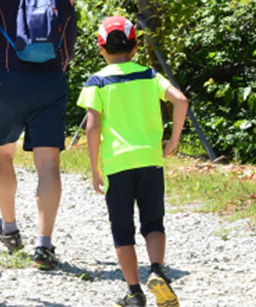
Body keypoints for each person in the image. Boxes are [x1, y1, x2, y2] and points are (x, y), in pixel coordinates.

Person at [0, 0, 77, 269]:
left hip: (10, 79)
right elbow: (68, 49)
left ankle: (10, 229)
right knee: (49, 164)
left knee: (3, 154)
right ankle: (44, 246)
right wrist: (53, 78)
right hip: (50, 82)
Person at [79, 16, 186, 307]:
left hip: (117, 165)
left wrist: (94, 168)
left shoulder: (98, 82)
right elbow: (181, 100)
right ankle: (156, 271)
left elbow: (92, 127)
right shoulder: (150, 76)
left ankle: (134, 293)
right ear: (135, 46)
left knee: (122, 229)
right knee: (153, 221)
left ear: (101, 49)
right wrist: (173, 140)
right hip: (150, 160)